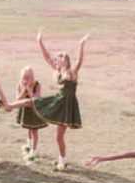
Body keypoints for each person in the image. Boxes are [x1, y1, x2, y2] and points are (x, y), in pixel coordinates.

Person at [5, 28, 87, 171]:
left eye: (61, 56)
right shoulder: (57, 71)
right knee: (32, 102)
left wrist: (81, 44)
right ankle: (8, 105)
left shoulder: (72, 72)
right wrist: (39, 41)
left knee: (59, 137)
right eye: (57, 57)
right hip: (58, 101)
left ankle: (62, 161)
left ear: (66, 60)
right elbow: (47, 57)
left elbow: (80, 61)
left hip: (68, 106)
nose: (58, 58)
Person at [11, 64, 47, 163]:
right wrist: (24, 91)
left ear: (32, 77)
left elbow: (37, 99)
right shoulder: (20, 84)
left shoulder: (37, 85)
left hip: (35, 111)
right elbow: (17, 99)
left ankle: (33, 151)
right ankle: (29, 145)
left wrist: (30, 91)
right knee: (28, 128)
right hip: (25, 111)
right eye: (24, 77)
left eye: (28, 77)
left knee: (34, 131)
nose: (26, 80)